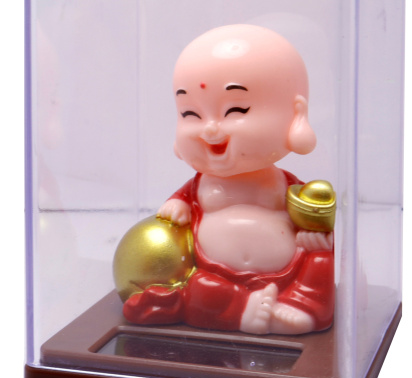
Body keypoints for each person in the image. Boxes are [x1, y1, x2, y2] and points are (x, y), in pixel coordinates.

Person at [122, 24, 334, 335]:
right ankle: (243, 311)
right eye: (191, 114)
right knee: (200, 287)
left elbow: (311, 219)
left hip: (286, 274)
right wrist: (179, 203)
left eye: (235, 110)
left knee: (322, 261)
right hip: (215, 274)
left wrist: (315, 236)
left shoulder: (289, 186)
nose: (210, 129)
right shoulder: (198, 187)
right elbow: (182, 204)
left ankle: (303, 305)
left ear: (295, 114)